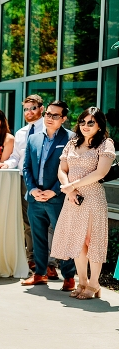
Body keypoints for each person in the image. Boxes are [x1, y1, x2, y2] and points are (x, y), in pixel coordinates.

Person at [51, 107, 116, 299]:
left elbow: (101, 173)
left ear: (99, 125)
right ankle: (83, 282)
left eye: (91, 123)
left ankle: (95, 284)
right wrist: (69, 189)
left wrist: (73, 185)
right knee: (78, 244)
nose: (85, 126)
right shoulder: (72, 143)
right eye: (82, 122)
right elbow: (61, 169)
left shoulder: (105, 144)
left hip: (93, 198)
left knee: (92, 242)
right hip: (73, 199)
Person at [20, 101, 76, 291]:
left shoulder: (71, 139)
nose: (50, 118)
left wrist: (55, 190)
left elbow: (72, 170)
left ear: (64, 119)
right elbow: (26, 167)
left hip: (58, 197)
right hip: (35, 197)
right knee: (38, 238)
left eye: (55, 115)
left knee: (63, 236)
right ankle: (40, 274)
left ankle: (69, 277)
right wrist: (33, 189)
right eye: (48, 114)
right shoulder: (33, 139)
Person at [0, 95, 47, 273]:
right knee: (28, 221)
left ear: (41, 108)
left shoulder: (49, 129)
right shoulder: (21, 133)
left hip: (45, 181)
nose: (29, 112)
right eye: (26, 109)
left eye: (32, 108)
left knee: (47, 221)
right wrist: (6, 164)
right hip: (24, 181)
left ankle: (51, 263)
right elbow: (16, 157)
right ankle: (32, 258)